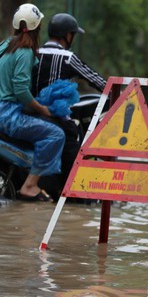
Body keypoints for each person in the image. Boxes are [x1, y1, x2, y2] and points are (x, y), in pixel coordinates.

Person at [0, 3, 65, 202]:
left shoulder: (3, 45)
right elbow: (20, 89)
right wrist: (42, 109)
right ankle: (30, 186)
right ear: (38, 28)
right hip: (2, 114)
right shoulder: (26, 52)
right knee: (55, 134)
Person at [32, 13, 107, 200]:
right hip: (54, 117)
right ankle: (74, 196)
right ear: (67, 36)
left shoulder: (34, 53)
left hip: (28, 113)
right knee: (72, 144)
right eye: (73, 35)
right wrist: (118, 94)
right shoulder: (67, 57)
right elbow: (95, 79)